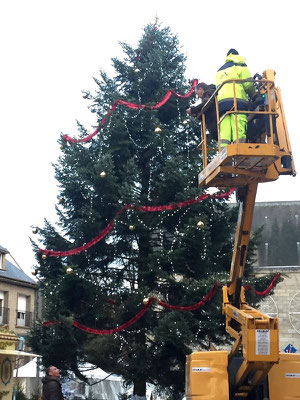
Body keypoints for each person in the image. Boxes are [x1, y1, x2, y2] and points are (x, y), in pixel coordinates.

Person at [216, 49, 256, 147]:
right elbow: (248, 84)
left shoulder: (219, 70)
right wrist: (254, 95)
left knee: (225, 129)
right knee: (238, 127)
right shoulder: (240, 63)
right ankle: (240, 147)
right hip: (237, 100)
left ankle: (223, 152)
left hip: (221, 103)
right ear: (237, 55)